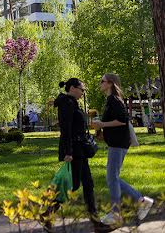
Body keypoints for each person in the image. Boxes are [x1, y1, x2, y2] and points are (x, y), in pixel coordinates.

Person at [92, 74, 154, 227]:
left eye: (102, 81)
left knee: (112, 178)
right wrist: (102, 131)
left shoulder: (114, 99)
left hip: (118, 144)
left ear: (110, 83)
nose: (100, 83)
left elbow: (122, 120)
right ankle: (139, 202)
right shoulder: (111, 100)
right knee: (113, 178)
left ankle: (118, 212)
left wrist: (102, 124)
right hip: (116, 143)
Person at [50, 78, 109, 232]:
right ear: (72, 88)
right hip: (74, 150)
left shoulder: (72, 103)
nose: (83, 92)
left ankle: (96, 223)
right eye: (82, 89)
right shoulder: (67, 104)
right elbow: (66, 129)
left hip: (80, 149)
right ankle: (47, 214)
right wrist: (68, 152)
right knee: (74, 184)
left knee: (88, 184)